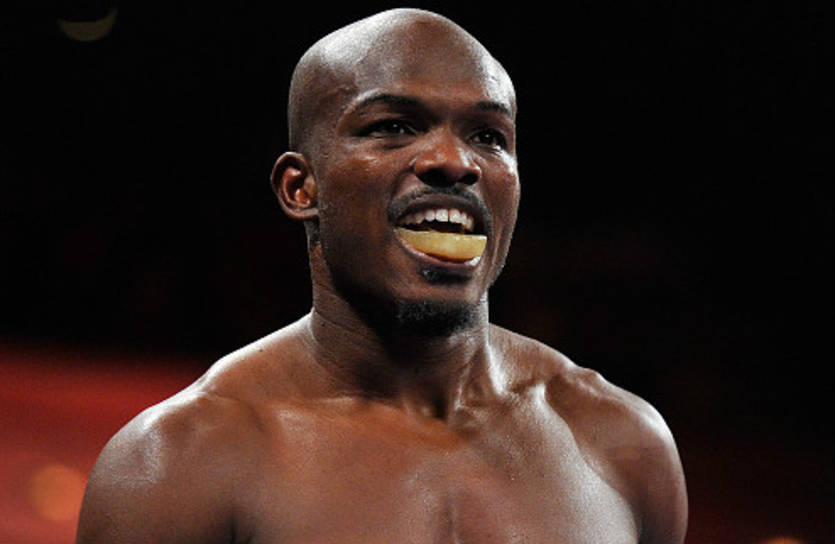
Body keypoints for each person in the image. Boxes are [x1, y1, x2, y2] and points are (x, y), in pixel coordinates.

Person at [76, 8, 688, 543]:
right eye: (393, 126)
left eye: (488, 135)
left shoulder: (623, 442)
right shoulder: (181, 464)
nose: (454, 161)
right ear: (301, 188)